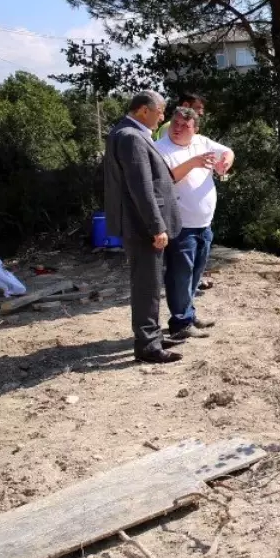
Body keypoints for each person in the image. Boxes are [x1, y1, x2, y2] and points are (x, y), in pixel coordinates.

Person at [103, 91, 184, 363]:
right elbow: (141, 188)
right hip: (141, 226)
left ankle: (153, 335)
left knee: (149, 282)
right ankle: (148, 345)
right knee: (147, 285)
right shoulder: (130, 137)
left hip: (139, 223)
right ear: (142, 111)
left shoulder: (127, 133)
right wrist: (156, 227)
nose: (163, 116)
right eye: (159, 111)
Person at [155, 105, 234, 340]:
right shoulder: (160, 148)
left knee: (196, 273)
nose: (178, 129)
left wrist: (225, 164)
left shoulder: (202, 142)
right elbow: (165, 180)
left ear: (195, 129)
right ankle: (179, 323)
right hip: (180, 224)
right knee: (180, 274)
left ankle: (188, 314)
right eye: (175, 123)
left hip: (203, 224)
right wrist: (194, 162)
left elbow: (228, 151)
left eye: (185, 126)